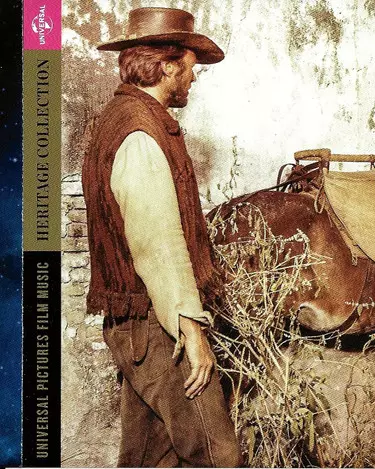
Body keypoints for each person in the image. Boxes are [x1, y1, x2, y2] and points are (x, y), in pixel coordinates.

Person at [82, 7, 242, 467]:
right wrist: (192, 332)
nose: (194, 78)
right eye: (191, 67)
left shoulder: (121, 118)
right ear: (168, 66)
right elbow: (158, 245)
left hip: (138, 326)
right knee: (217, 455)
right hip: (158, 327)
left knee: (151, 458)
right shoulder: (140, 132)